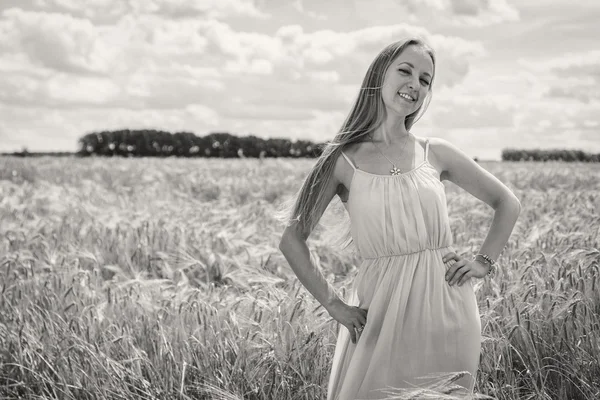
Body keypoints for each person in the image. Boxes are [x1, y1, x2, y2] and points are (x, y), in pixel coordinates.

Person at [277, 37, 521, 399]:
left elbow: (507, 202)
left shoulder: (435, 152)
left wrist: (483, 261)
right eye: (405, 71)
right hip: (381, 311)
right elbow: (291, 238)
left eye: (425, 80)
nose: (415, 84)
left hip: (449, 308)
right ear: (379, 75)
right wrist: (335, 306)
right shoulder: (341, 161)